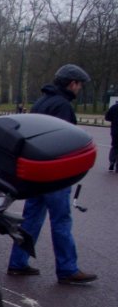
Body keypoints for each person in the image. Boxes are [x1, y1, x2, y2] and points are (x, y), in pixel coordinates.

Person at [7, 63, 97, 285]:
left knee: (30, 220)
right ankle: (67, 268)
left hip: (37, 172)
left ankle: (17, 262)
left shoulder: (42, 102)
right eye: (79, 85)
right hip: (54, 173)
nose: (79, 89)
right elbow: (66, 142)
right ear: (72, 83)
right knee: (61, 220)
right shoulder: (63, 106)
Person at [105, 98, 118, 172]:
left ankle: (112, 162)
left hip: (115, 130)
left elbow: (107, 118)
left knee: (114, 146)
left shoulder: (114, 107)